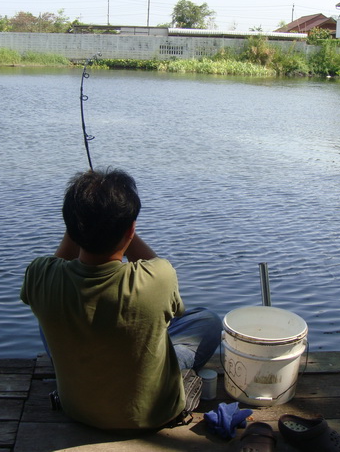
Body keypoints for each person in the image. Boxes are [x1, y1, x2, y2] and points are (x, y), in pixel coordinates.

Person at [21, 168, 222, 431]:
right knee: (207, 320)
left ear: (71, 226)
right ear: (130, 230)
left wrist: (81, 224)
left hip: (77, 409)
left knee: (47, 308)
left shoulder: (39, 275)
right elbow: (160, 278)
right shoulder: (159, 277)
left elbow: (61, 261)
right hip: (154, 412)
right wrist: (125, 228)